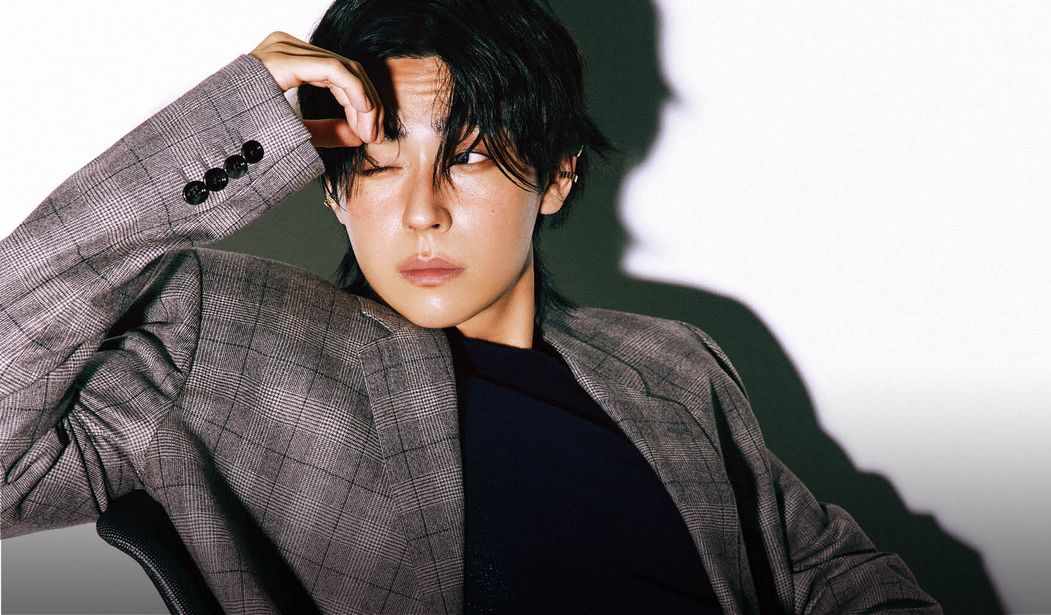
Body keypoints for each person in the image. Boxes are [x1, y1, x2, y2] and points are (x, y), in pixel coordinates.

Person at [0, 0, 940, 612]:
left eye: (472, 156)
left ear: (558, 175)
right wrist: (235, 122)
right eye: (377, 164)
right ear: (332, 191)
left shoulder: (673, 362)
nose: (423, 209)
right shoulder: (214, 343)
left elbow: (832, 576)